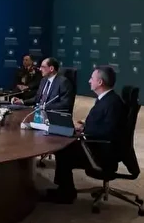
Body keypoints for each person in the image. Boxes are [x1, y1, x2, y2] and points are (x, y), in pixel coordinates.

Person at [45, 66, 126, 203]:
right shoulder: (106, 99)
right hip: (97, 144)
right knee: (64, 147)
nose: (89, 81)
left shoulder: (112, 103)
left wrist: (83, 131)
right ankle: (63, 189)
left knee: (63, 151)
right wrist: (84, 126)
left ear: (100, 82)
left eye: (92, 78)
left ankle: (66, 193)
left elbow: (109, 132)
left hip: (102, 152)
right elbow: (103, 124)